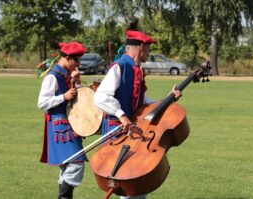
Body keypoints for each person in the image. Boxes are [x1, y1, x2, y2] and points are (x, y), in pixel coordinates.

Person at [94, 30, 181, 199]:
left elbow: (142, 102)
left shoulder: (136, 69)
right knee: (127, 182)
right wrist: (122, 115)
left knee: (138, 181)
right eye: (148, 49)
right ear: (140, 48)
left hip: (133, 131)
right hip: (117, 130)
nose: (149, 52)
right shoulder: (120, 67)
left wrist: (168, 99)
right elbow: (101, 97)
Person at [38, 41, 87, 199]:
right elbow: (42, 103)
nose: (78, 64)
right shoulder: (52, 76)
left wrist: (77, 81)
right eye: (76, 60)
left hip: (70, 123)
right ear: (67, 58)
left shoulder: (66, 75)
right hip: (59, 126)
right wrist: (63, 97)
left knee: (66, 166)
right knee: (76, 162)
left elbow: (76, 98)